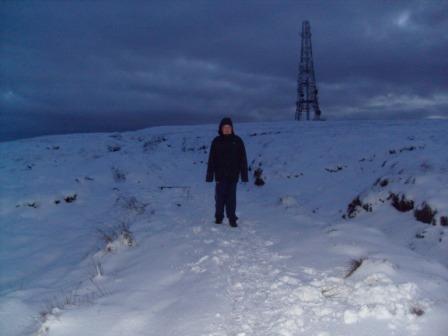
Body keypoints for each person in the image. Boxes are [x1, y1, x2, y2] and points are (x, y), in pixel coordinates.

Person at [206, 117, 248, 227]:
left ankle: (232, 218)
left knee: (231, 198)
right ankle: (219, 217)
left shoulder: (237, 141)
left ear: (232, 128)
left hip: (233, 175)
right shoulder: (216, 141)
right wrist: (210, 175)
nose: (227, 129)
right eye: (224, 127)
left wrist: (244, 175)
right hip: (220, 176)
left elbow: (243, 159)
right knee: (219, 198)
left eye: (229, 127)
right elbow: (211, 159)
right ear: (221, 128)